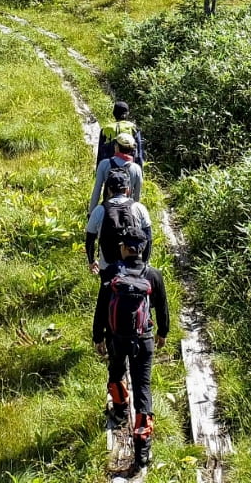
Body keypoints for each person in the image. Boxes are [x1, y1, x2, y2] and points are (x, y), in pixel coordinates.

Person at [94, 230, 169, 474]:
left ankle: (120, 410)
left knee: (116, 372)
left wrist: (98, 337)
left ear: (123, 247)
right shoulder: (153, 274)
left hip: (116, 338)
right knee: (143, 389)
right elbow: (162, 307)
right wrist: (162, 333)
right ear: (144, 247)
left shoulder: (112, 274)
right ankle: (142, 451)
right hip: (144, 339)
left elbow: (102, 308)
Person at [85, 169, 152, 275]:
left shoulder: (99, 210)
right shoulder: (139, 208)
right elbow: (148, 238)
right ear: (128, 190)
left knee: (107, 290)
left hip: (107, 266)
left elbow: (90, 239)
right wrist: (145, 263)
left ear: (109, 190)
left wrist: (91, 261)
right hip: (134, 267)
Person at [89, 132, 143, 211]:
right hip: (127, 212)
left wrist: (91, 212)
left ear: (117, 147)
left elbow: (97, 190)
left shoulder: (104, 164)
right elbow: (137, 196)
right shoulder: (136, 169)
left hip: (107, 211)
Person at [98, 101, 145, 166]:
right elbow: (139, 154)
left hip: (109, 166)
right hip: (129, 166)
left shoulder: (105, 129)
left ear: (114, 113)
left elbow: (100, 154)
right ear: (127, 114)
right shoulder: (134, 128)